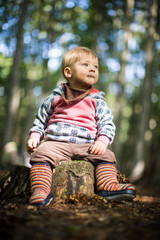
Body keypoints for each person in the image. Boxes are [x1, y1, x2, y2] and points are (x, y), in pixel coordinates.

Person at [27, 46, 136, 206]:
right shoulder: (56, 97)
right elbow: (41, 118)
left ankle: (108, 186)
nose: (92, 69)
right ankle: (40, 189)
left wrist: (102, 141)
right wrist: (35, 135)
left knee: (107, 156)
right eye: (85, 65)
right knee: (41, 153)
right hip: (56, 143)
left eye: (95, 66)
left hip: (87, 145)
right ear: (68, 72)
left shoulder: (97, 100)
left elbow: (106, 123)